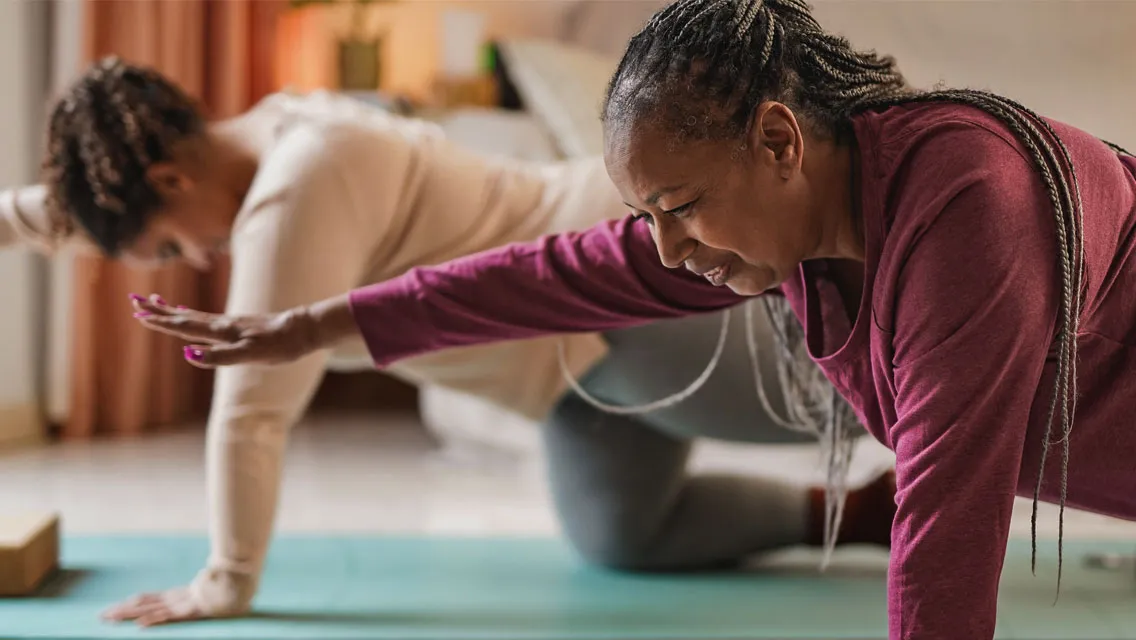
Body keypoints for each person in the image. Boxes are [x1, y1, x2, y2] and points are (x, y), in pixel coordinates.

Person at [131, 0, 1136, 638]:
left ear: (777, 140)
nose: (662, 247)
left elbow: (944, 538)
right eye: (647, 214)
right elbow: (550, 273)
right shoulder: (804, 217)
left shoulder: (968, 204)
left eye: (678, 207)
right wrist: (313, 326)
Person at [2, 56, 897, 628]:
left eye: (168, 243)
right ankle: (859, 515)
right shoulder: (271, 130)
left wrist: (225, 579)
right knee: (624, 532)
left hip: (619, 303)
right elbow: (69, 212)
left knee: (869, 396)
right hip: (564, 384)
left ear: (167, 176)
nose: (194, 259)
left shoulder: (297, 183)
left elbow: (252, 409)